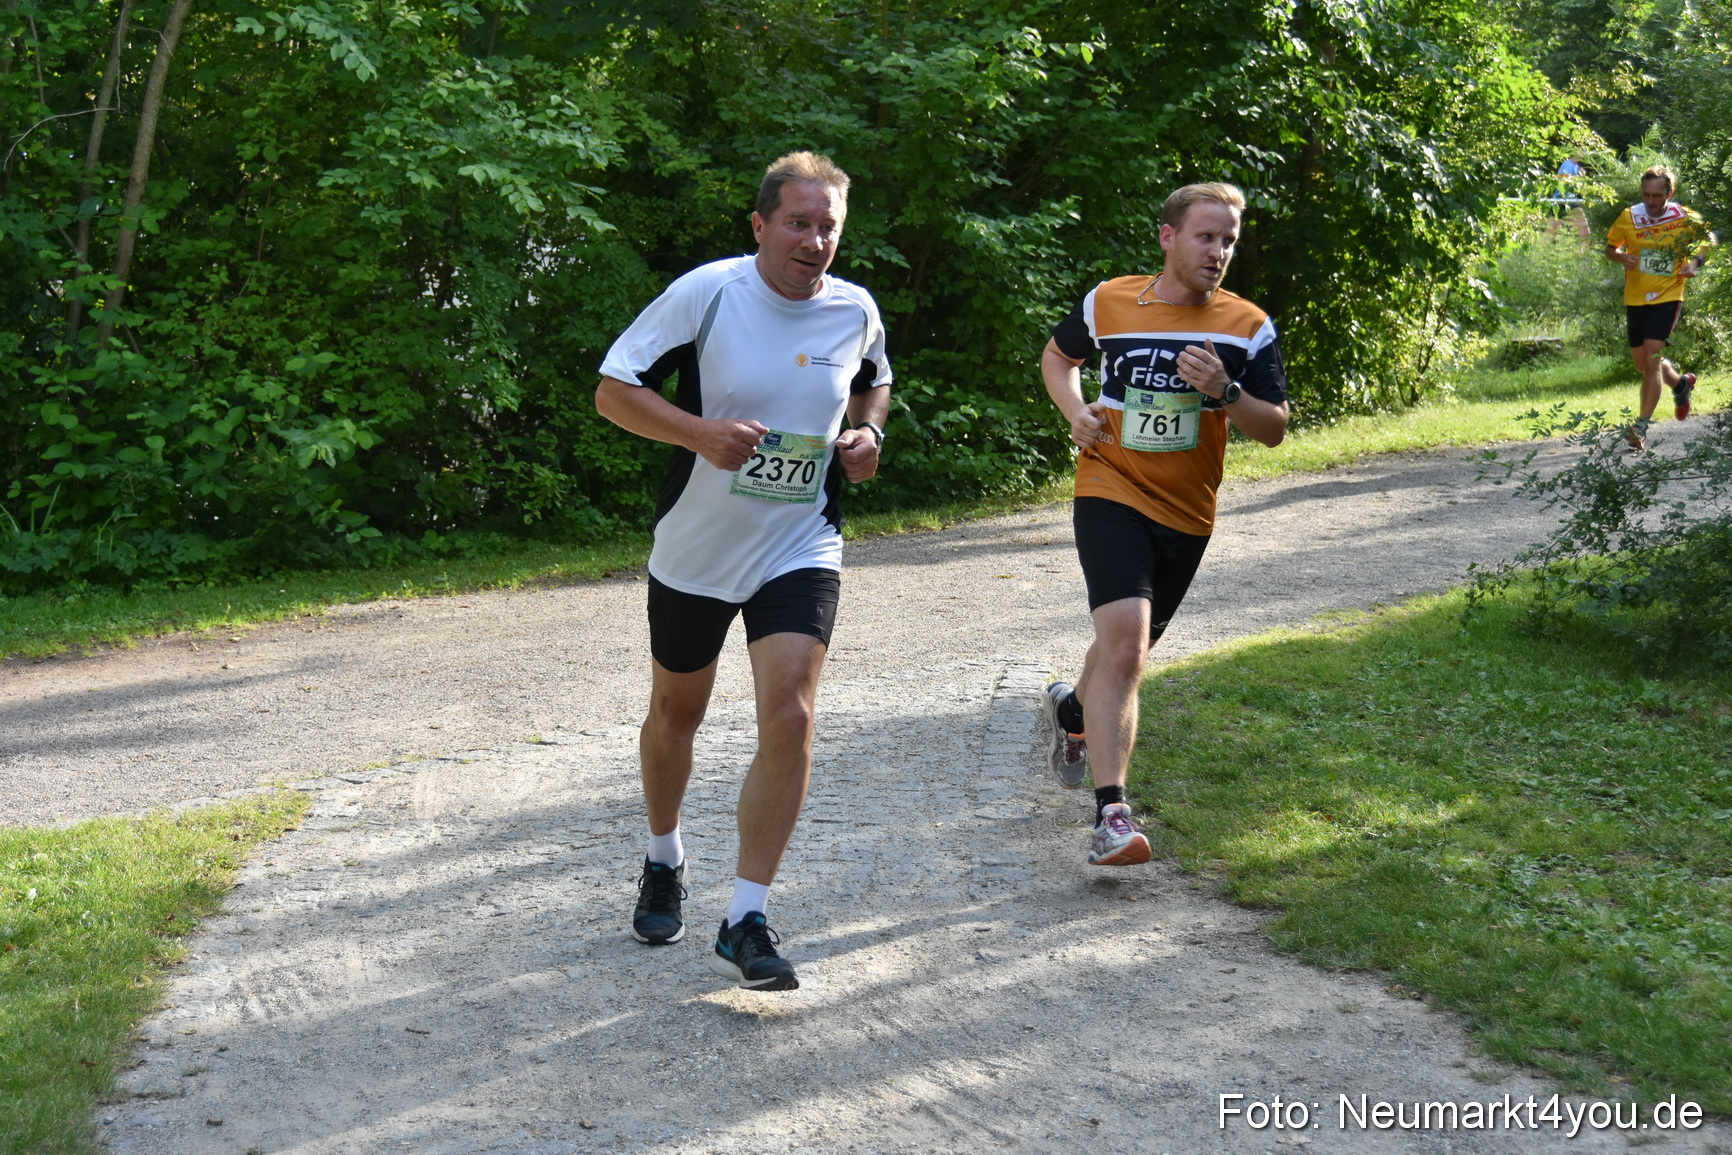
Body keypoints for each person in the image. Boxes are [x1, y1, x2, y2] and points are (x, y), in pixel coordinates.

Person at [594, 151, 891, 991]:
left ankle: (746, 916)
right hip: (697, 543)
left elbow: (875, 385)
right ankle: (663, 856)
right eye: (798, 222)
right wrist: (696, 432)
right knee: (675, 713)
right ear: (760, 225)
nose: (814, 240)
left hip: (800, 539)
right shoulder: (710, 292)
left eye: (828, 225)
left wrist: (870, 438)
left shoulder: (854, 309)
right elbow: (612, 389)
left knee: (792, 713)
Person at [1037, 182, 1290, 866]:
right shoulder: (1111, 301)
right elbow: (1059, 358)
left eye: (1229, 241)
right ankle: (1112, 816)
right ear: (1168, 237)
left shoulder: (1246, 324)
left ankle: (1073, 714)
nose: (1219, 252)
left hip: (1187, 511)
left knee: (1127, 651)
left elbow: (1274, 428)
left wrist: (1226, 392)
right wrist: (1075, 410)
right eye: (1206, 236)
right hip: (1109, 483)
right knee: (1125, 645)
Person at [1603, 165, 1713, 450]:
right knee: (1643, 364)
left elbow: (1709, 240)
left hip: (1668, 295)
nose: (1651, 201)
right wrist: (1620, 258)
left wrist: (1695, 262)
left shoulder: (1685, 217)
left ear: (1669, 192)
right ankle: (1681, 385)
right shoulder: (1630, 216)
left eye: (1657, 195)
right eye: (1646, 195)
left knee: (1652, 359)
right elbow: (1610, 247)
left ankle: (1640, 427)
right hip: (1635, 298)